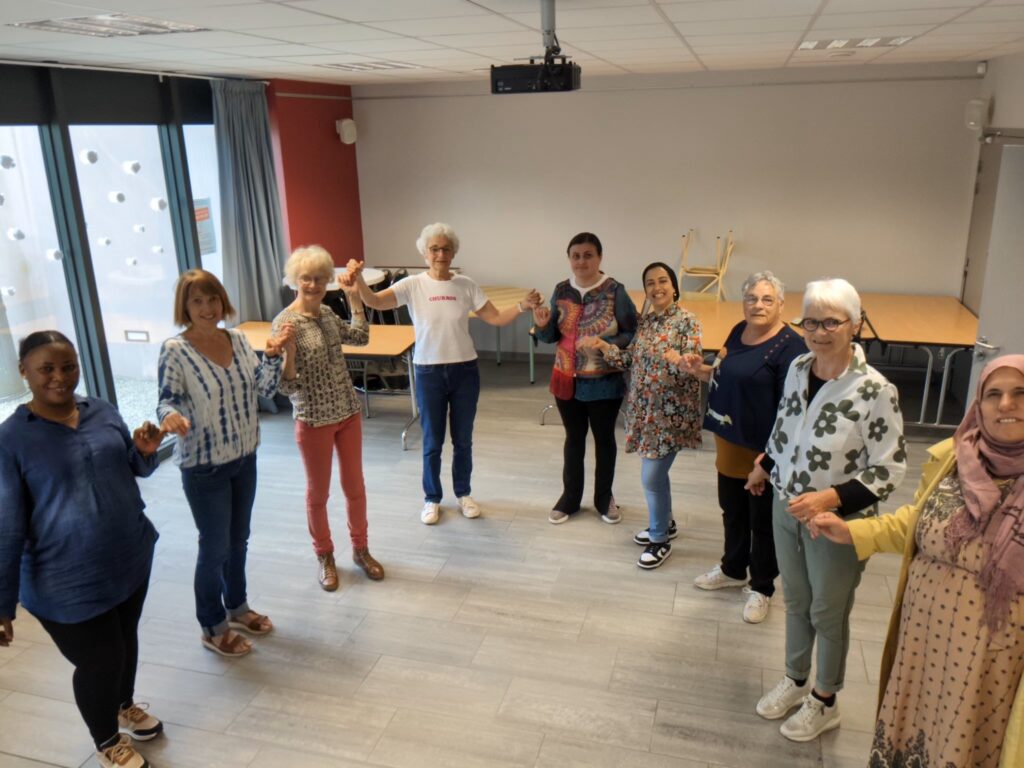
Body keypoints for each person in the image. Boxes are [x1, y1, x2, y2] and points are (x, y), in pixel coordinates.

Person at [809, 355, 1024, 768]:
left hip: (991, 661)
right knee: (914, 736)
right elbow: (921, 521)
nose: (1006, 405)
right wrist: (854, 531)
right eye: (993, 394)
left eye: (1019, 394)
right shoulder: (956, 456)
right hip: (922, 644)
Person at [747, 277, 907, 742]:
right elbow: (786, 429)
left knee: (827, 611)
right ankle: (796, 681)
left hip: (837, 523)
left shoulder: (875, 390)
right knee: (795, 600)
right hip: (785, 505)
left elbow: (889, 468)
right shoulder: (798, 367)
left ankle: (825, 699)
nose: (818, 331)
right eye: (810, 321)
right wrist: (766, 465)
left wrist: (830, 499)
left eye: (830, 322)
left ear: (853, 325)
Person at [0, 331, 165, 768]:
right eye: (46, 369)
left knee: (124, 640)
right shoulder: (11, 439)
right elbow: (7, 526)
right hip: (63, 580)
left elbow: (133, 465)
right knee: (100, 658)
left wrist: (145, 453)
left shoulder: (102, 410)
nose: (60, 377)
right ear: (24, 372)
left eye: (68, 366)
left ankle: (123, 703)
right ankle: (107, 740)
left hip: (129, 555)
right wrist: (2, 603)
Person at [347, 222, 541, 525]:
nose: (440, 253)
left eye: (445, 248)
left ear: (453, 253)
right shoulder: (412, 285)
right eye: (434, 249)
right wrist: (357, 280)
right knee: (433, 441)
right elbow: (374, 301)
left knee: (463, 439)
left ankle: (463, 493)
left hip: (465, 371)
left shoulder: (465, 285)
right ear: (425, 253)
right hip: (428, 372)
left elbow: (496, 317)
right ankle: (432, 498)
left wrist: (522, 305)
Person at [157, 269, 293, 658]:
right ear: (184, 306)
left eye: (212, 299)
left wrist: (271, 356)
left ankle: (237, 607)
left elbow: (266, 391)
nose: (206, 307)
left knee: (238, 540)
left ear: (222, 301)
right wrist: (170, 417)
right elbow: (167, 399)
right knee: (214, 547)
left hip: (245, 456)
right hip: (204, 466)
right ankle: (213, 626)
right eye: (196, 301)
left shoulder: (235, 338)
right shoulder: (175, 349)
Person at [686, 271, 805, 623]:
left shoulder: (791, 348)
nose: (758, 305)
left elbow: (791, 410)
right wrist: (704, 371)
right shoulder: (739, 331)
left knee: (763, 523)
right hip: (729, 443)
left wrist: (766, 463)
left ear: (782, 304)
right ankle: (733, 568)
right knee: (732, 511)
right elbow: (731, 374)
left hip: (763, 453)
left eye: (768, 299)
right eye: (752, 298)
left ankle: (763, 587)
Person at [272, 245, 384, 591]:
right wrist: (288, 353)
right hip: (313, 419)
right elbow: (287, 387)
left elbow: (362, 337)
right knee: (318, 494)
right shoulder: (284, 322)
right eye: (306, 278)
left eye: (320, 278)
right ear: (295, 280)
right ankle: (324, 555)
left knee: (355, 487)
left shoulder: (327, 314)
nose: (314, 284)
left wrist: (354, 298)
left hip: (348, 412)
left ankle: (361, 549)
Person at [584, 262, 701, 568]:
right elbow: (628, 360)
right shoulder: (646, 322)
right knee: (658, 476)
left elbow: (693, 359)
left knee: (651, 477)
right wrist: (603, 346)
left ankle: (660, 539)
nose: (657, 287)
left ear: (674, 287)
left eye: (663, 281)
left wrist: (686, 361)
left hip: (670, 414)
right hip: (644, 412)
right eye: (650, 282)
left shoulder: (687, 321)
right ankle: (667, 522)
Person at [533, 232, 638, 525]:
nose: (581, 261)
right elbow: (551, 335)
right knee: (573, 440)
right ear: (569, 259)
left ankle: (604, 498)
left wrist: (604, 343)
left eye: (588, 255)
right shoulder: (561, 290)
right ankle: (570, 499)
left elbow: (633, 332)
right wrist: (541, 325)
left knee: (604, 441)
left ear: (599, 258)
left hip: (604, 383)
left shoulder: (615, 291)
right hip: (565, 379)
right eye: (576, 256)